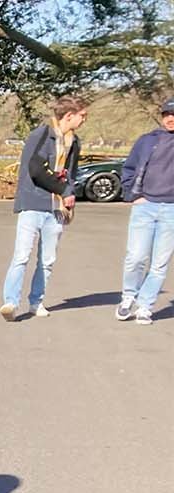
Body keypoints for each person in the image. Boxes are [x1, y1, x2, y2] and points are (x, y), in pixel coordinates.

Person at [0, 97, 87, 321]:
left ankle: (36, 301)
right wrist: (63, 190)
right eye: (82, 115)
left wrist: (69, 194)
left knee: (47, 260)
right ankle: (10, 302)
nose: (84, 120)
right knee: (21, 256)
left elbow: (71, 174)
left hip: (57, 209)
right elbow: (36, 169)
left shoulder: (74, 142)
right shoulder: (41, 135)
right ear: (69, 115)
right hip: (32, 204)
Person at [115, 98, 174, 325]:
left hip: (171, 210)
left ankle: (145, 306)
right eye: (167, 114)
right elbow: (129, 168)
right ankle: (128, 297)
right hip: (145, 206)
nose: (170, 118)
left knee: (159, 264)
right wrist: (133, 195)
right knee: (136, 257)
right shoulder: (147, 140)